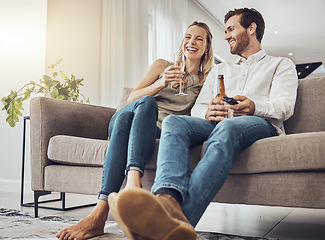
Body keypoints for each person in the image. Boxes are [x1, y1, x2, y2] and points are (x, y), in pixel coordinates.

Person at [108, 8, 298, 240]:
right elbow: (197, 108)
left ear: (251, 29)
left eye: (231, 29)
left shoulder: (280, 64)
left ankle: (176, 222)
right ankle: (167, 199)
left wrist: (253, 106)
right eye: (225, 31)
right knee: (175, 122)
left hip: (261, 123)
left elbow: (285, 106)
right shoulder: (220, 69)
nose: (226, 35)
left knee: (228, 127)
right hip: (219, 123)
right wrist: (208, 112)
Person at [56, 21, 214, 240]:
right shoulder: (163, 66)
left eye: (199, 38)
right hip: (129, 116)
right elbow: (131, 98)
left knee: (128, 122)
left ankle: (99, 214)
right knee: (145, 104)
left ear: (207, 47)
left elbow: (200, 112)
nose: (192, 42)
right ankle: (133, 183)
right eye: (188, 36)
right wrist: (161, 83)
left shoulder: (208, 79)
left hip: (155, 132)